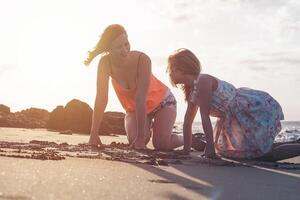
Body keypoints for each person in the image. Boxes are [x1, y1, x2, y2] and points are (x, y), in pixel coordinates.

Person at [167, 48, 300, 161]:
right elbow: (187, 122)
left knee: (263, 154)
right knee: (255, 152)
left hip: (247, 112)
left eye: (171, 69)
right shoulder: (192, 92)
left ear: (181, 68)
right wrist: (186, 150)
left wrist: (210, 148)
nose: (169, 73)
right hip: (234, 120)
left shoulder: (203, 80)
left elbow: (205, 116)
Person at [84, 24, 186, 150]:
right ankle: (149, 131)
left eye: (126, 44)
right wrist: (93, 134)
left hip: (163, 102)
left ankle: (187, 138)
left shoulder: (143, 60)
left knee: (161, 144)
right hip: (134, 109)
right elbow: (101, 98)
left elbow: (140, 98)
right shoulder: (105, 64)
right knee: (134, 138)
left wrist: (140, 139)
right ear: (108, 49)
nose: (124, 50)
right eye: (118, 47)